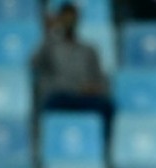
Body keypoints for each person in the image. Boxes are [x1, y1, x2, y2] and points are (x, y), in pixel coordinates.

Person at [31, 2, 114, 136]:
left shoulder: (89, 49)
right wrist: (47, 35)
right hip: (60, 97)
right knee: (50, 105)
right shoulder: (51, 47)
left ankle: (102, 145)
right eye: (66, 17)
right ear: (60, 19)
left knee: (106, 106)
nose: (69, 21)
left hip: (83, 97)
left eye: (72, 17)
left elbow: (100, 78)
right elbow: (35, 63)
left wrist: (96, 88)